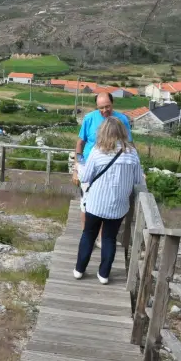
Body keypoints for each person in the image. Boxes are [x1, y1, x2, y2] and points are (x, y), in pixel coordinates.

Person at [74, 117, 146, 284]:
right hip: (118, 206)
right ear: (122, 132)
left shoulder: (97, 152)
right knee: (109, 238)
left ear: (103, 132)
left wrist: (79, 166)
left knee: (89, 235)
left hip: (96, 204)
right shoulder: (132, 154)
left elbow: (85, 177)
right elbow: (138, 181)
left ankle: (79, 269)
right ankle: (104, 274)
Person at [73, 93, 132, 222]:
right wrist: (76, 169)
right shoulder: (89, 118)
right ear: (96, 107)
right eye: (101, 108)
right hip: (88, 168)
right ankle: (86, 235)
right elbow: (80, 144)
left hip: (112, 170)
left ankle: (100, 239)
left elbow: (130, 144)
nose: (105, 110)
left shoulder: (122, 120)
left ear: (112, 103)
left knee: (104, 206)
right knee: (85, 204)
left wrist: (138, 168)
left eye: (107, 106)